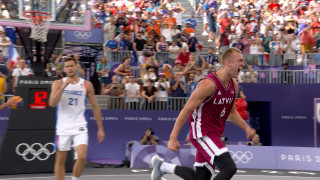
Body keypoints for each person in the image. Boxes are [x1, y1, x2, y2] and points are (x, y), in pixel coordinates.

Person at [151, 47, 256, 180]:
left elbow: (232, 112)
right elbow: (186, 110)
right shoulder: (208, 84)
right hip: (202, 132)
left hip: (215, 133)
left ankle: (162, 167)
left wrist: (246, 128)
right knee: (229, 168)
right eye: (240, 60)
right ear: (228, 62)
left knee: (200, 178)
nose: (243, 64)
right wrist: (173, 137)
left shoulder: (234, 86)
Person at [49, 57, 105, 180]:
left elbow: (96, 107)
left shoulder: (86, 84)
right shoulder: (58, 83)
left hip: (80, 125)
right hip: (63, 127)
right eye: (67, 66)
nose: (69, 68)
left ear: (76, 67)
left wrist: (100, 129)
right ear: (64, 69)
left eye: (71, 66)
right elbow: (52, 103)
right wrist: (64, 87)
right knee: (60, 159)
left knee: (82, 156)